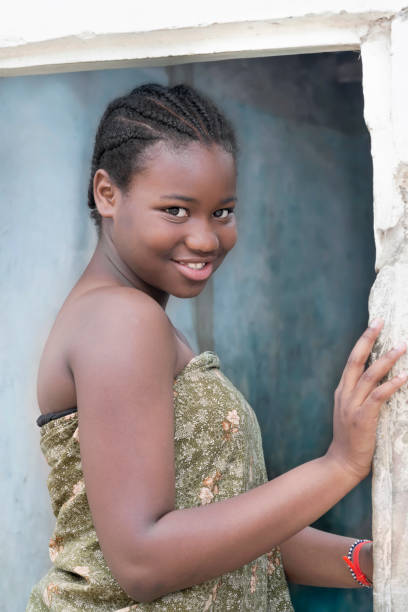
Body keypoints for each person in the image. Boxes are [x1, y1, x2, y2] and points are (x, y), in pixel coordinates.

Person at [26, 83, 406, 611]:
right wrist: (338, 466)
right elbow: (144, 561)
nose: (205, 239)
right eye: (177, 211)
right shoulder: (121, 320)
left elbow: (231, 539)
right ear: (106, 194)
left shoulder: (128, 318)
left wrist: (372, 561)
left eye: (222, 212)